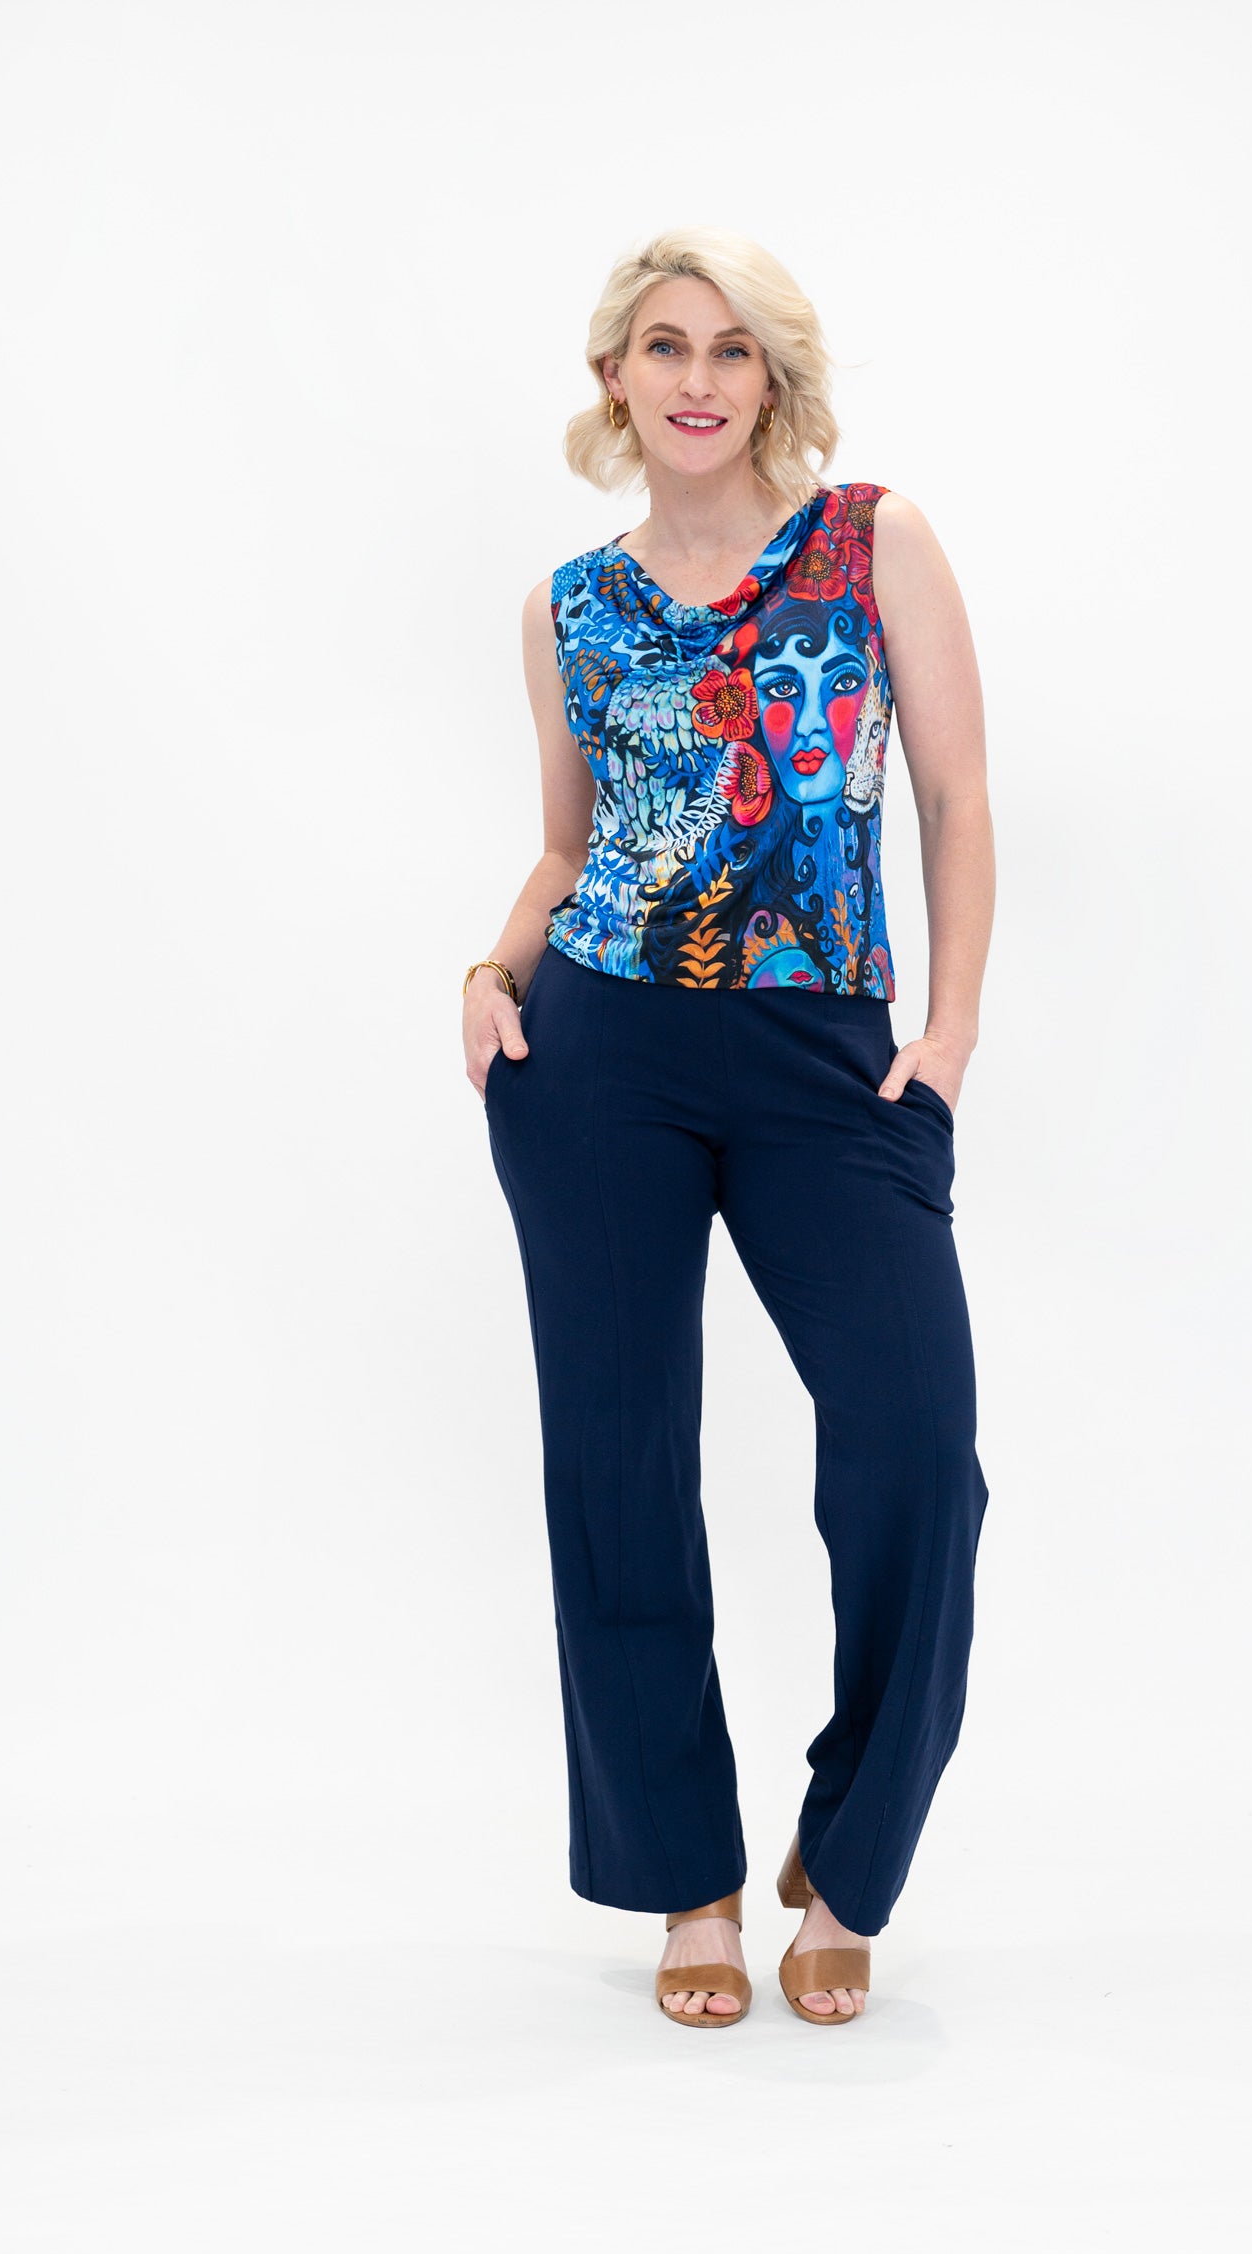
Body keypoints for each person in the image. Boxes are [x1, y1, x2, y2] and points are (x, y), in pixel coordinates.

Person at [461, 226, 995, 2029]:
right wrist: (492, 970)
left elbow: (953, 795)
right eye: (665, 346)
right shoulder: (567, 606)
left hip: (825, 1051)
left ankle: (846, 1857)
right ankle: (686, 1878)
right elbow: (569, 846)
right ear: (613, 377)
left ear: (773, 377)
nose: (698, 379)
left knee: (916, 1447)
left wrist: (949, 1032)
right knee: (618, 1465)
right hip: (598, 1051)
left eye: (732, 349)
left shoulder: (871, 542)